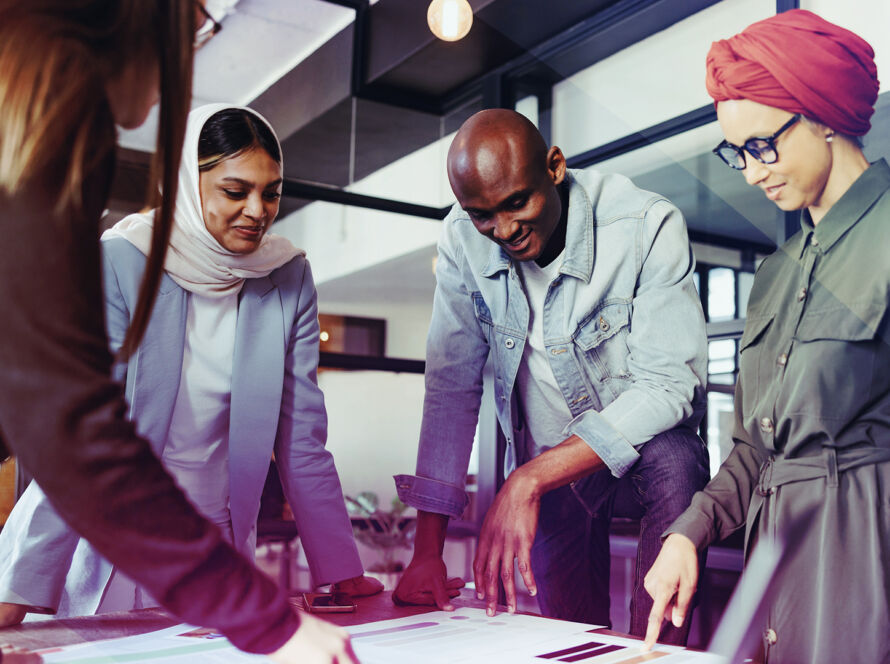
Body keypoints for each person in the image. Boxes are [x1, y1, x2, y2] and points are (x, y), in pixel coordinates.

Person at [0, 2, 355, 662]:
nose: (257, 211)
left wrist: (341, 574)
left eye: (271, 192)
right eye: (193, 22)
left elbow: (302, 443)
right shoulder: (113, 241)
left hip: (209, 541)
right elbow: (69, 428)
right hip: (117, 538)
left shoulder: (285, 276)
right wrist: (18, 581)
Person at [393, 108, 710, 643]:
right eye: (483, 215)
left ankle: (655, 656)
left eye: (518, 202)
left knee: (677, 459)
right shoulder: (460, 240)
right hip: (554, 469)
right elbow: (452, 386)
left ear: (555, 167)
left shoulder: (646, 224)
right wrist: (427, 553)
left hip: (635, 456)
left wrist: (529, 478)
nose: (506, 229)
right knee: (569, 637)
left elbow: (668, 387)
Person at [642, 10, 890, 663]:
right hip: (775, 574)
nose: (751, 172)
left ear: (822, 117)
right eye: (738, 153)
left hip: (866, 570)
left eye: (762, 145)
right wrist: (687, 534)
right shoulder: (776, 276)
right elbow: (758, 446)